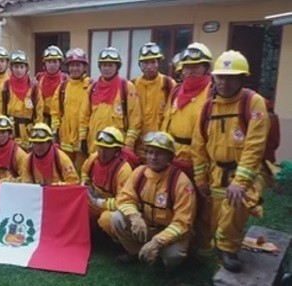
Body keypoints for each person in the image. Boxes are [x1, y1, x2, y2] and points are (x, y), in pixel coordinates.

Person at [191, 50, 270, 272]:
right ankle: (208, 251)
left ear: (242, 78)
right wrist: (200, 177)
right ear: (214, 77)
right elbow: (198, 144)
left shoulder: (253, 103)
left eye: (231, 77)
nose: (224, 82)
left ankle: (228, 251)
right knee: (214, 217)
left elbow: (255, 145)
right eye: (221, 76)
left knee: (236, 205)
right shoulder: (208, 106)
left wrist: (241, 181)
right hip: (216, 171)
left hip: (245, 172)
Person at [111, 131, 196, 271]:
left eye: (159, 153)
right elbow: (125, 198)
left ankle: (158, 259)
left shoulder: (181, 182)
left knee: (173, 256)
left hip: (169, 233)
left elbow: (183, 222)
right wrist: (135, 217)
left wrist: (158, 242)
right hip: (145, 226)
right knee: (116, 218)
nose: (153, 157)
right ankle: (136, 253)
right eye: (150, 152)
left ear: (170, 156)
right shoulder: (139, 172)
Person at [160, 42, 213, 260]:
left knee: (201, 207)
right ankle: (177, 240)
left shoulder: (213, 90)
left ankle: (201, 249)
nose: (190, 71)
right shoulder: (176, 90)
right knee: (175, 201)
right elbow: (166, 121)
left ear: (206, 68)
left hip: (198, 158)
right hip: (174, 156)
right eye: (187, 67)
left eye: (196, 66)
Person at [79, 46, 142, 155]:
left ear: (117, 67)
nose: (106, 68)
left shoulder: (126, 87)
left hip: (117, 146)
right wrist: (83, 138)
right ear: (99, 67)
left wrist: (128, 144)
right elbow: (84, 115)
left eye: (110, 65)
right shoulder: (92, 88)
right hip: (95, 144)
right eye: (104, 65)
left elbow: (135, 119)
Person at [82, 126, 140, 235]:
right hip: (95, 199)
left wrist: (100, 203)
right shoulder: (93, 159)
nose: (102, 152)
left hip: (111, 207)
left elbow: (123, 201)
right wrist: (86, 184)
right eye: (100, 147)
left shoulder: (124, 170)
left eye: (107, 149)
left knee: (106, 220)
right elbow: (84, 172)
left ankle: (113, 243)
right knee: (78, 206)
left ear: (117, 150)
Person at [51, 48, 92, 171]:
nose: (75, 69)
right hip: (65, 138)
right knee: (65, 170)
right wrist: (55, 133)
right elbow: (55, 112)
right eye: (72, 65)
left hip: (83, 140)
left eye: (78, 65)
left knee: (82, 171)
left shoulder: (91, 86)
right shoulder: (63, 87)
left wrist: (84, 138)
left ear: (84, 67)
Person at [132, 42, 175, 160]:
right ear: (140, 64)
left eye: (153, 62)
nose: (149, 66)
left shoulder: (168, 84)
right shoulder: (133, 84)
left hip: (160, 146)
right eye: (145, 62)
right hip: (138, 145)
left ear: (158, 63)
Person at [0, 50, 43, 151]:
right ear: (11, 68)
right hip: (10, 131)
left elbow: (39, 113)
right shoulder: (5, 86)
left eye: (22, 67)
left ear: (27, 68)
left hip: (28, 131)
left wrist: (37, 134)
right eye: (16, 67)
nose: (18, 70)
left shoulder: (34, 88)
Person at [36, 45, 68, 126]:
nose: (52, 65)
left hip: (60, 120)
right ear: (45, 63)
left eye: (55, 62)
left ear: (60, 63)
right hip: (42, 119)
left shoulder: (66, 80)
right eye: (49, 62)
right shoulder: (38, 78)